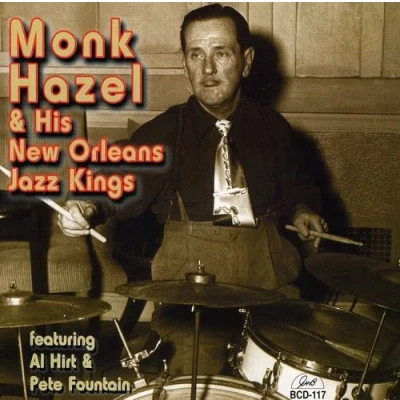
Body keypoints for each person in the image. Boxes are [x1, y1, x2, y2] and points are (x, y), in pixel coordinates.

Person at [59, 4, 328, 376]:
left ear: (246, 62)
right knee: (193, 374)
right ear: (184, 64)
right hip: (191, 304)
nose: (208, 69)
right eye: (196, 55)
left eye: (221, 53)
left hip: (272, 291)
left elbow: (298, 186)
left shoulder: (274, 129)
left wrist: (303, 210)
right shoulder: (163, 133)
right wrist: (87, 207)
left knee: (302, 374)